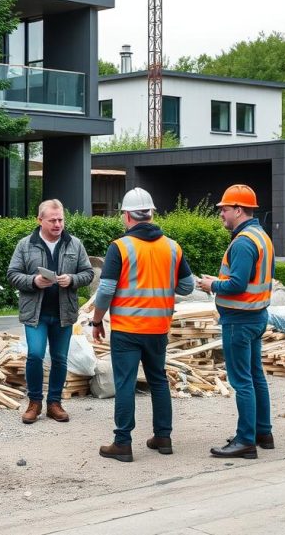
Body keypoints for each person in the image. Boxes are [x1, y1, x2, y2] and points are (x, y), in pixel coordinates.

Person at [90, 187, 195, 462]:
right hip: (158, 328)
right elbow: (187, 286)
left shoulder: (120, 247)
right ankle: (163, 437)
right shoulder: (172, 247)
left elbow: (105, 291)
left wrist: (97, 320)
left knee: (125, 384)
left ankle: (122, 443)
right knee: (158, 380)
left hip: (127, 328)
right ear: (150, 214)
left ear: (126, 216)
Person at [196, 184, 275, 460]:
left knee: (241, 380)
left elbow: (237, 284)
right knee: (255, 376)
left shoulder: (242, 242)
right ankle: (262, 431)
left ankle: (245, 441)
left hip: (239, 319)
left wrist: (211, 285)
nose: (221, 214)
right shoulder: (261, 236)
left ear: (239, 210)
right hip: (256, 315)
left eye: (225, 209)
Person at [7, 199, 94, 424]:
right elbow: (13, 274)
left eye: (61, 219)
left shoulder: (75, 244)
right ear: (40, 220)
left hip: (64, 313)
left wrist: (72, 279)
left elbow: (88, 273)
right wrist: (34, 281)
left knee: (60, 358)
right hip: (35, 313)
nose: (57, 224)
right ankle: (34, 402)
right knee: (35, 355)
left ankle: (54, 403)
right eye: (52, 220)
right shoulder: (25, 245)